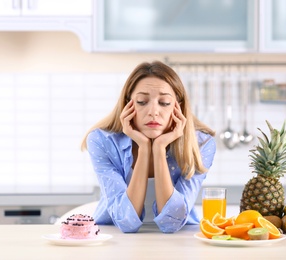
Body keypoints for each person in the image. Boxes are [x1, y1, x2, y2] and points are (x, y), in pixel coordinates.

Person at [81, 61, 216, 233]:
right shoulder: (102, 140)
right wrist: (144, 148)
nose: (153, 111)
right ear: (128, 104)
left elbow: (171, 224)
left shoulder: (201, 144)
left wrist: (159, 149)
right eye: (142, 101)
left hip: (179, 241)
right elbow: (126, 223)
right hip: (115, 237)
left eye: (164, 102)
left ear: (179, 107)